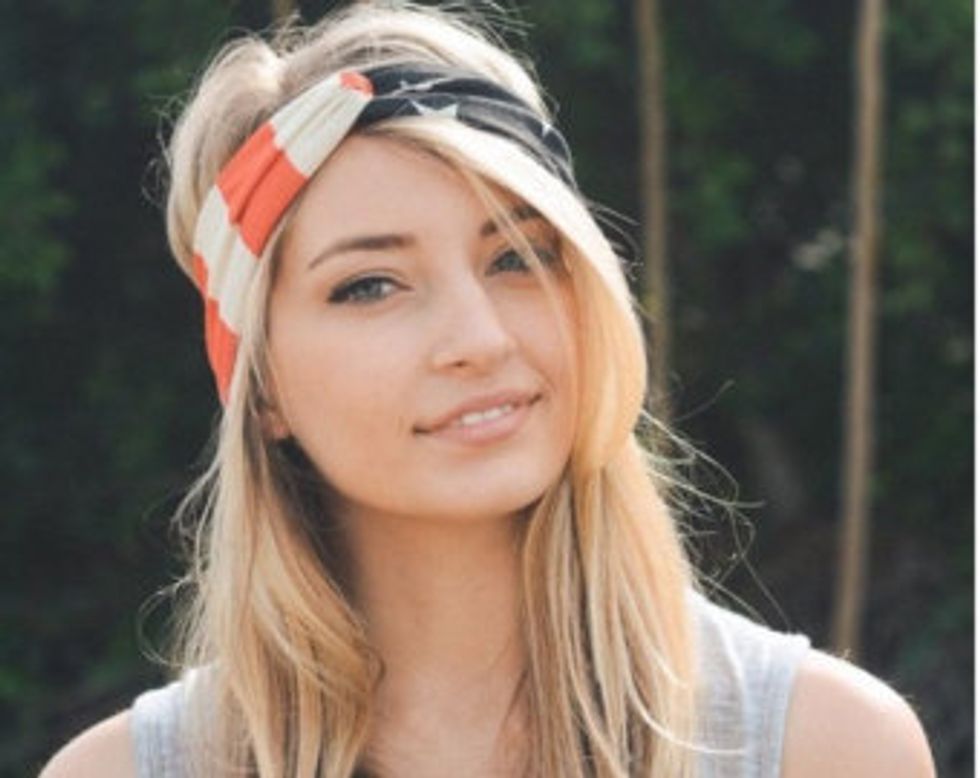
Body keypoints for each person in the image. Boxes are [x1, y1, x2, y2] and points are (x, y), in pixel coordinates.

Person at [42, 2, 935, 777]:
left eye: (518, 258)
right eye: (370, 285)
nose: (480, 339)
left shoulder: (825, 749)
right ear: (262, 384)